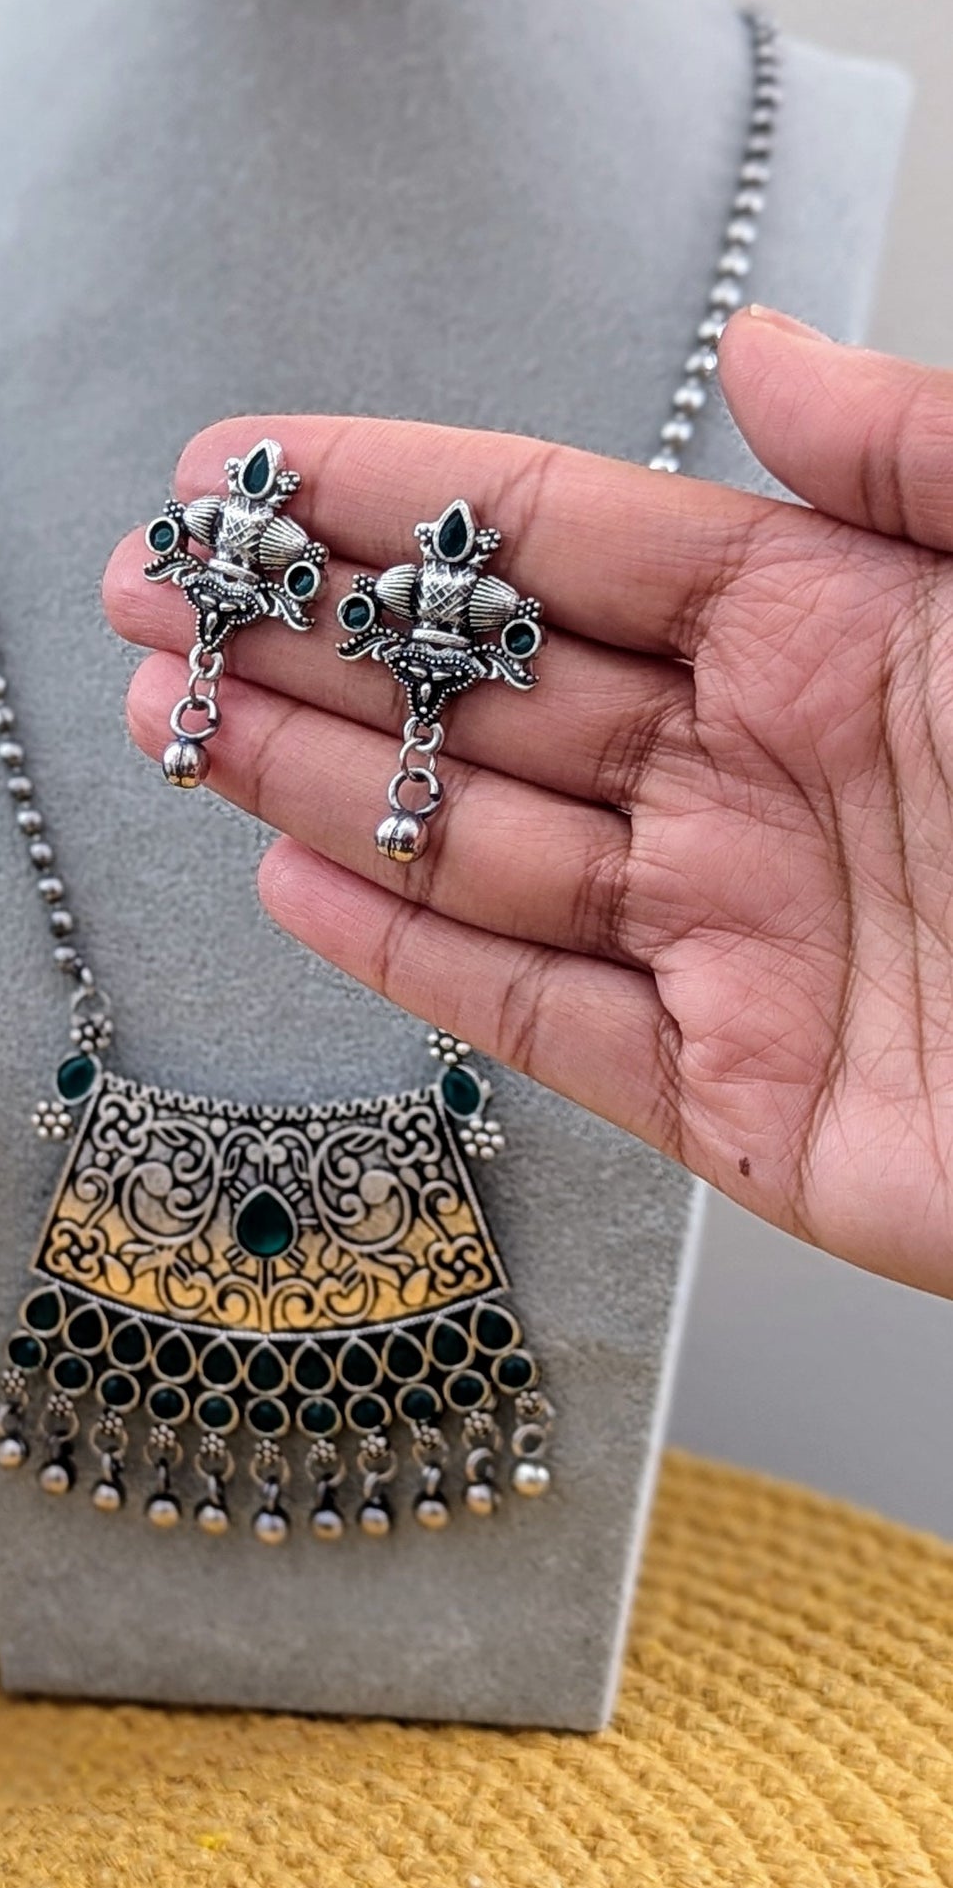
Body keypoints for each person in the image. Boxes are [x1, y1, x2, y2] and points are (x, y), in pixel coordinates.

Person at [104, 306, 953, 1300]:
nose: (249, 493)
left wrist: (325, 605)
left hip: (412, 659)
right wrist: (309, 605)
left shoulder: (441, 585)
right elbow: (265, 568)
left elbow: (471, 627)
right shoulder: (378, 568)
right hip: (363, 644)